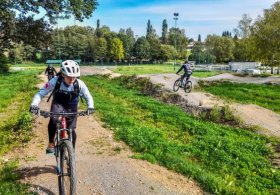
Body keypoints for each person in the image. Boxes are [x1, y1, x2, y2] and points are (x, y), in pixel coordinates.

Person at [30, 60, 94, 154]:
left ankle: (72, 151)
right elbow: (41, 93)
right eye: (69, 77)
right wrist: (34, 104)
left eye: (74, 77)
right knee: (54, 119)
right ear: (63, 74)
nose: (72, 79)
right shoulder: (55, 81)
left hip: (72, 105)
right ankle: (51, 142)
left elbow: (88, 96)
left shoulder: (80, 84)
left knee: (71, 129)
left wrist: (90, 107)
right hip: (58, 103)